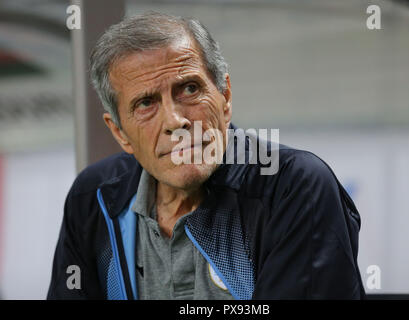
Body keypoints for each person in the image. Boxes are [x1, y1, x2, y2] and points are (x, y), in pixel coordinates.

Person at [47, 11, 365, 300]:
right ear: (120, 133)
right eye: (146, 104)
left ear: (224, 96)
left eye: (189, 89)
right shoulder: (94, 198)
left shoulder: (294, 187)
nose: (175, 121)